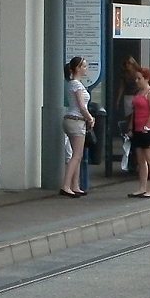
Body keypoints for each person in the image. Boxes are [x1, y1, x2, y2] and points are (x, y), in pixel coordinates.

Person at [60, 56, 93, 198]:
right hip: (76, 120)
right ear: (78, 68)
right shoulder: (77, 85)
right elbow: (81, 105)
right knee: (77, 155)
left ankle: (75, 185)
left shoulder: (73, 84)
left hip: (72, 119)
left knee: (76, 155)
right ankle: (66, 185)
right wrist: (90, 117)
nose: (86, 69)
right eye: (84, 66)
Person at [126, 68, 150, 198]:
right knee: (141, 160)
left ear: (146, 79)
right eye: (136, 78)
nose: (137, 81)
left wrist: (147, 126)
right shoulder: (138, 92)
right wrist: (131, 127)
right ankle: (142, 187)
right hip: (137, 128)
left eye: (139, 78)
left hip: (149, 129)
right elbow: (134, 112)